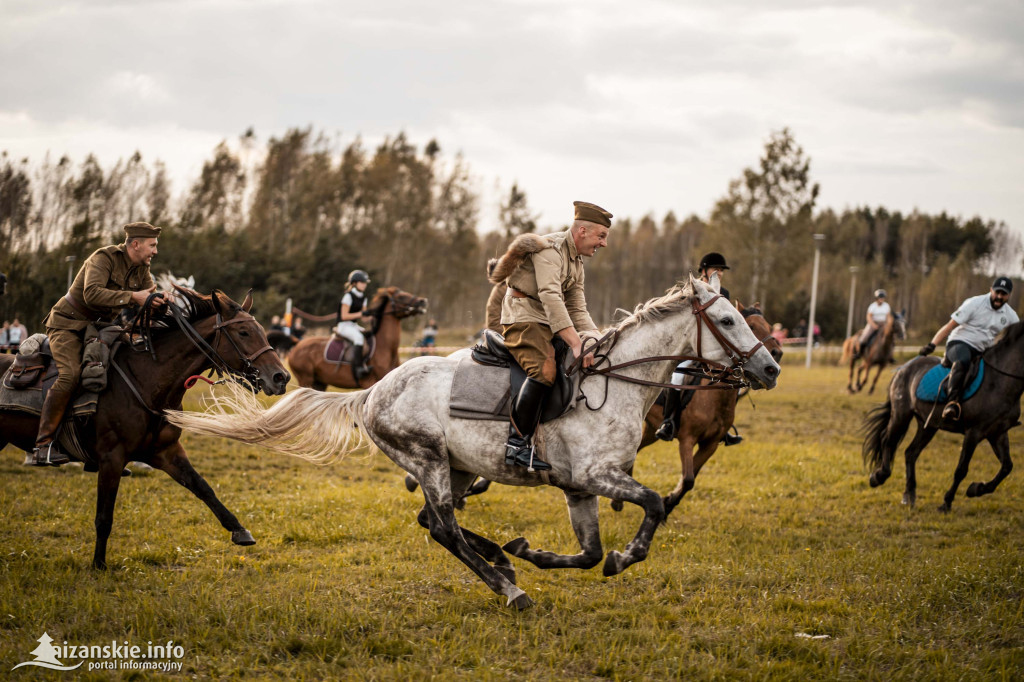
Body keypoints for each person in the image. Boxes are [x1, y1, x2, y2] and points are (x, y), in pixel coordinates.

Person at [32, 222, 168, 466]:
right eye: (152, 245)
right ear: (135, 244)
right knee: (71, 375)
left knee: (118, 374)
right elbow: (91, 293)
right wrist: (132, 297)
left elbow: (146, 299)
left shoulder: (142, 269)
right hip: (67, 324)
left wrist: (159, 303)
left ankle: (96, 448)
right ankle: (43, 445)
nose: (155, 251)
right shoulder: (103, 258)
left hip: (101, 329)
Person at [489, 200, 611, 471]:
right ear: (581, 231)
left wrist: (593, 337)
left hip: (547, 320)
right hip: (524, 319)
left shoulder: (577, 262)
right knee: (544, 372)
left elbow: (577, 307)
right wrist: (576, 342)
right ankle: (516, 444)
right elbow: (551, 298)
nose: (603, 243)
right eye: (600, 236)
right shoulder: (550, 251)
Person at [656, 252, 742, 445]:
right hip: (690, 348)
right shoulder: (691, 289)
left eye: (721, 270)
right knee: (677, 377)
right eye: (715, 269)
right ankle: (668, 421)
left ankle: (723, 427)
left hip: (713, 350)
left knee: (732, 379)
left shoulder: (724, 294)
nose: (719, 273)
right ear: (703, 270)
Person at [920, 276, 1019, 420]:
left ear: (1009, 295)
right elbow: (950, 326)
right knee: (963, 360)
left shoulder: (1011, 316)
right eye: (997, 292)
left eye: (1003, 294)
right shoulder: (974, 303)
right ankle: (951, 403)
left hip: (984, 350)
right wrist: (932, 345)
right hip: (959, 343)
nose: (999, 297)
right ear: (991, 290)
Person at [336, 269, 374, 381]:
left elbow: (365, 318)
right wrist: (361, 313)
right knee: (359, 338)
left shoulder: (363, 297)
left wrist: (373, 314)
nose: (364, 285)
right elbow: (344, 316)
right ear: (354, 283)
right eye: (362, 282)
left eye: (365, 283)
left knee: (369, 336)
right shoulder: (348, 296)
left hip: (353, 325)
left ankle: (366, 362)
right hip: (343, 325)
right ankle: (358, 368)